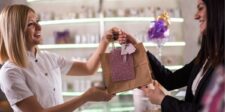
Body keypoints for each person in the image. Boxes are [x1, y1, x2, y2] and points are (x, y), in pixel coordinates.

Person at [0, 4, 124, 112]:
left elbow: (88, 68)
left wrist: (104, 41)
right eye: (30, 24)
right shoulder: (10, 72)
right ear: (15, 31)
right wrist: (85, 97)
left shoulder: (49, 58)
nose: (39, 27)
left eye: (37, 21)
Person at [117, 0, 224, 111]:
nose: (196, 16)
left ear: (217, 11)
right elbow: (170, 80)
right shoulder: (206, 55)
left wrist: (163, 100)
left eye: (200, 8)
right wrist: (140, 48)